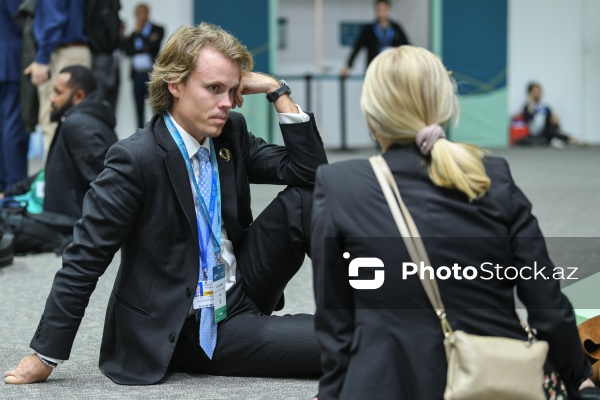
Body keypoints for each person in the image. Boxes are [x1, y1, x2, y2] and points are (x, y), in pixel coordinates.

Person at [4, 22, 327, 385]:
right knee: (352, 338)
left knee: (309, 197)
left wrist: (275, 90)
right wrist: (45, 355)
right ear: (175, 84)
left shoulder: (229, 133)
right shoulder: (135, 159)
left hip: (239, 287)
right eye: (214, 89)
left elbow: (310, 172)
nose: (227, 103)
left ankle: (378, 296)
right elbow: (85, 256)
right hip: (188, 323)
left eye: (232, 89)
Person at [311, 46, 597, 399]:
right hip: (495, 383)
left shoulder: (340, 185)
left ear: (372, 118)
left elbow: (335, 326)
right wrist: (577, 380)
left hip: (384, 385)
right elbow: (547, 306)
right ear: (445, 108)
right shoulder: (492, 175)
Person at [0, 65, 118, 220]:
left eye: (58, 92)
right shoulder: (79, 120)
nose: (51, 98)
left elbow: (106, 192)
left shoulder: (78, 125)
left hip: (66, 231)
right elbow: (49, 172)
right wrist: (7, 195)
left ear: (78, 96)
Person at [24, 0, 91, 155]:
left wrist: (42, 58)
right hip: (77, 49)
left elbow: (54, 19)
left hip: (60, 53)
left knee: (52, 120)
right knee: (79, 121)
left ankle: (57, 178)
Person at [0, 0, 29, 193]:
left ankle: (5, 184)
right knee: (13, 126)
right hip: (10, 60)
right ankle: (15, 187)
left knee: (4, 125)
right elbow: (21, 18)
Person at [341, 0, 410, 77]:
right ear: (375, 10)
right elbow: (357, 47)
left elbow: (407, 46)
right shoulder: (369, 29)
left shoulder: (396, 28)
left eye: (384, 10)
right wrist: (348, 65)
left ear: (388, 10)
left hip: (393, 68)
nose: (381, 13)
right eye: (379, 10)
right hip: (374, 68)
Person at [122, 3, 164, 128]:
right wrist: (140, 39)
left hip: (151, 75)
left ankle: (157, 134)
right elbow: (127, 51)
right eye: (137, 14)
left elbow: (153, 47)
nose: (140, 16)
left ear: (147, 14)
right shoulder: (133, 34)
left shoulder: (158, 29)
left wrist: (140, 36)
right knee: (138, 110)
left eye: (142, 13)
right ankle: (139, 137)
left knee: (154, 108)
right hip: (137, 76)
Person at [519, 82, 577, 148]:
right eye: (534, 92)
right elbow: (528, 119)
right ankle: (568, 138)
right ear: (530, 93)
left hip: (547, 130)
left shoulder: (545, 107)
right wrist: (530, 106)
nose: (536, 94)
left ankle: (562, 137)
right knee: (549, 126)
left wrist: (556, 123)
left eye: (538, 91)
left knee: (552, 121)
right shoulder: (528, 106)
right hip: (536, 131)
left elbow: (551, 119)